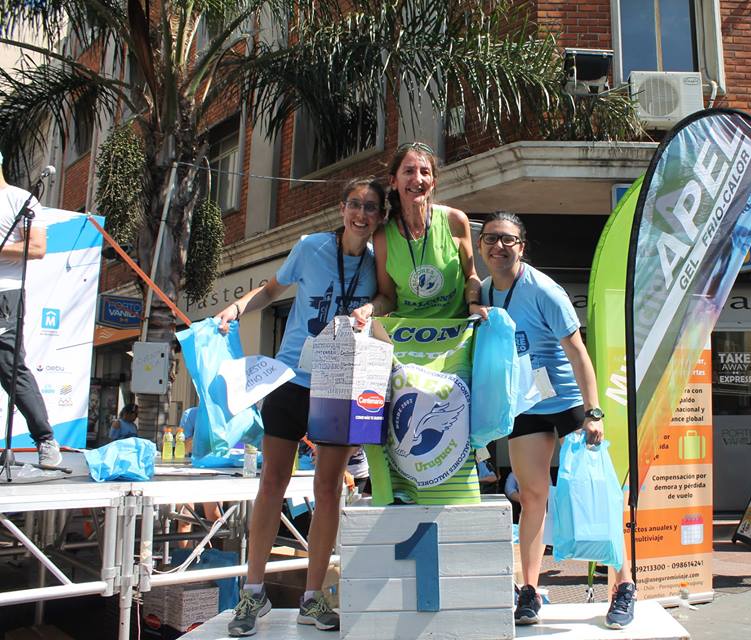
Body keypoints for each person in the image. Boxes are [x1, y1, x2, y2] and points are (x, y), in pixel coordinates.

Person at [214, 177, 386, 636]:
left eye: (371, 207)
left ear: (379, 217)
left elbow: (387, 296)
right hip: (291, 379)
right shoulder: (310, 246)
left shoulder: (376, 262)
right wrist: (237, 308)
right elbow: (272, 289)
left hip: (339, 383)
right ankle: (252, 593)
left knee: (329, 489)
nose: (362, 214)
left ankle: (313, 597)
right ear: (342, 207)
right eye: (355, 204)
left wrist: (370, 306)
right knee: (272, 482)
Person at [475, 211, 636, 629]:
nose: (499, 246)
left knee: (599, 494)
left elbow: (578, 351)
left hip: (567, 402)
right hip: (525, 404)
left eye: (508, 239)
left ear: (522, 247)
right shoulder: (486, 292)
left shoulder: (544, 289)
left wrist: (593, 412)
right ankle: (528, 590)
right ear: (481, 247)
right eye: (491, 239)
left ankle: (623, 587)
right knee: (531, 498)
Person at [353, 141, 482, 324]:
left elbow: (471, 276)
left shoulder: (455, 221)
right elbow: (388, 297)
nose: (418, 179)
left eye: (425, 172)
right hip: (407, 334)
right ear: (393, 181)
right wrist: (369, 309)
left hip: (455, 329)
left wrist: (474, 303)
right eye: (408, 171)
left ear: (433, 183)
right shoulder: (383, 236)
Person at [0, 154, 60, 467]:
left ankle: (45, 439)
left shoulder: (20, 199)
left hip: (5, 293)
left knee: (10, 368)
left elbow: (37, 248)